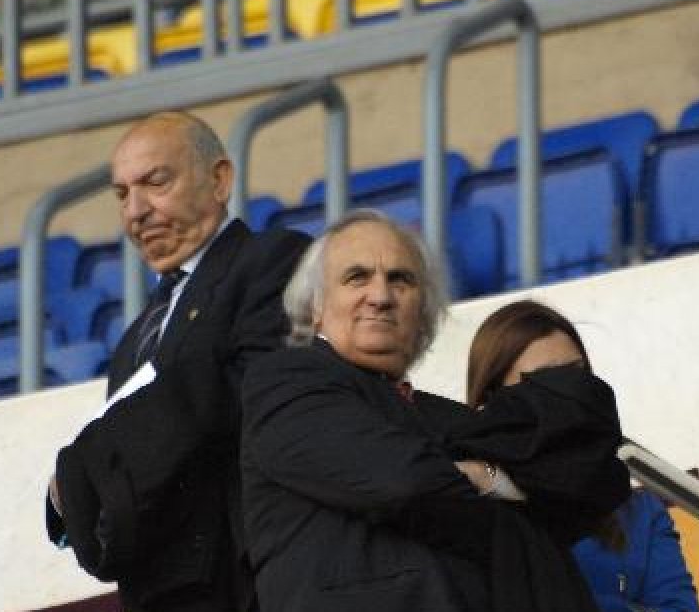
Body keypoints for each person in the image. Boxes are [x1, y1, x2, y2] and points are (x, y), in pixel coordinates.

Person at [240, 210, 631, 612]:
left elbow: (575, 481)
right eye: (357, 277)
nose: (380, 296)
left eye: (400, 279)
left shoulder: (449, 417)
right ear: (315, 307)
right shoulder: (286, 381)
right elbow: (399, 480)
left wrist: (485, 477)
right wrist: (487, 478)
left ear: (423, 312)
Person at [45, 111, 311, 612]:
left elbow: (251, 390)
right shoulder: (131, 343)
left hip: (252, 581)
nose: (136, 211)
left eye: (155, 182)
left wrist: (89, 458)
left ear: (219, 179)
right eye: (122, 194)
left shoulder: (274, 259)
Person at [465, 299, 699, 612]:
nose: (570, 393)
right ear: (491, 401)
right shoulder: (466, 506)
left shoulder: (639, 514)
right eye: (547, 381)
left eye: (578, 375)